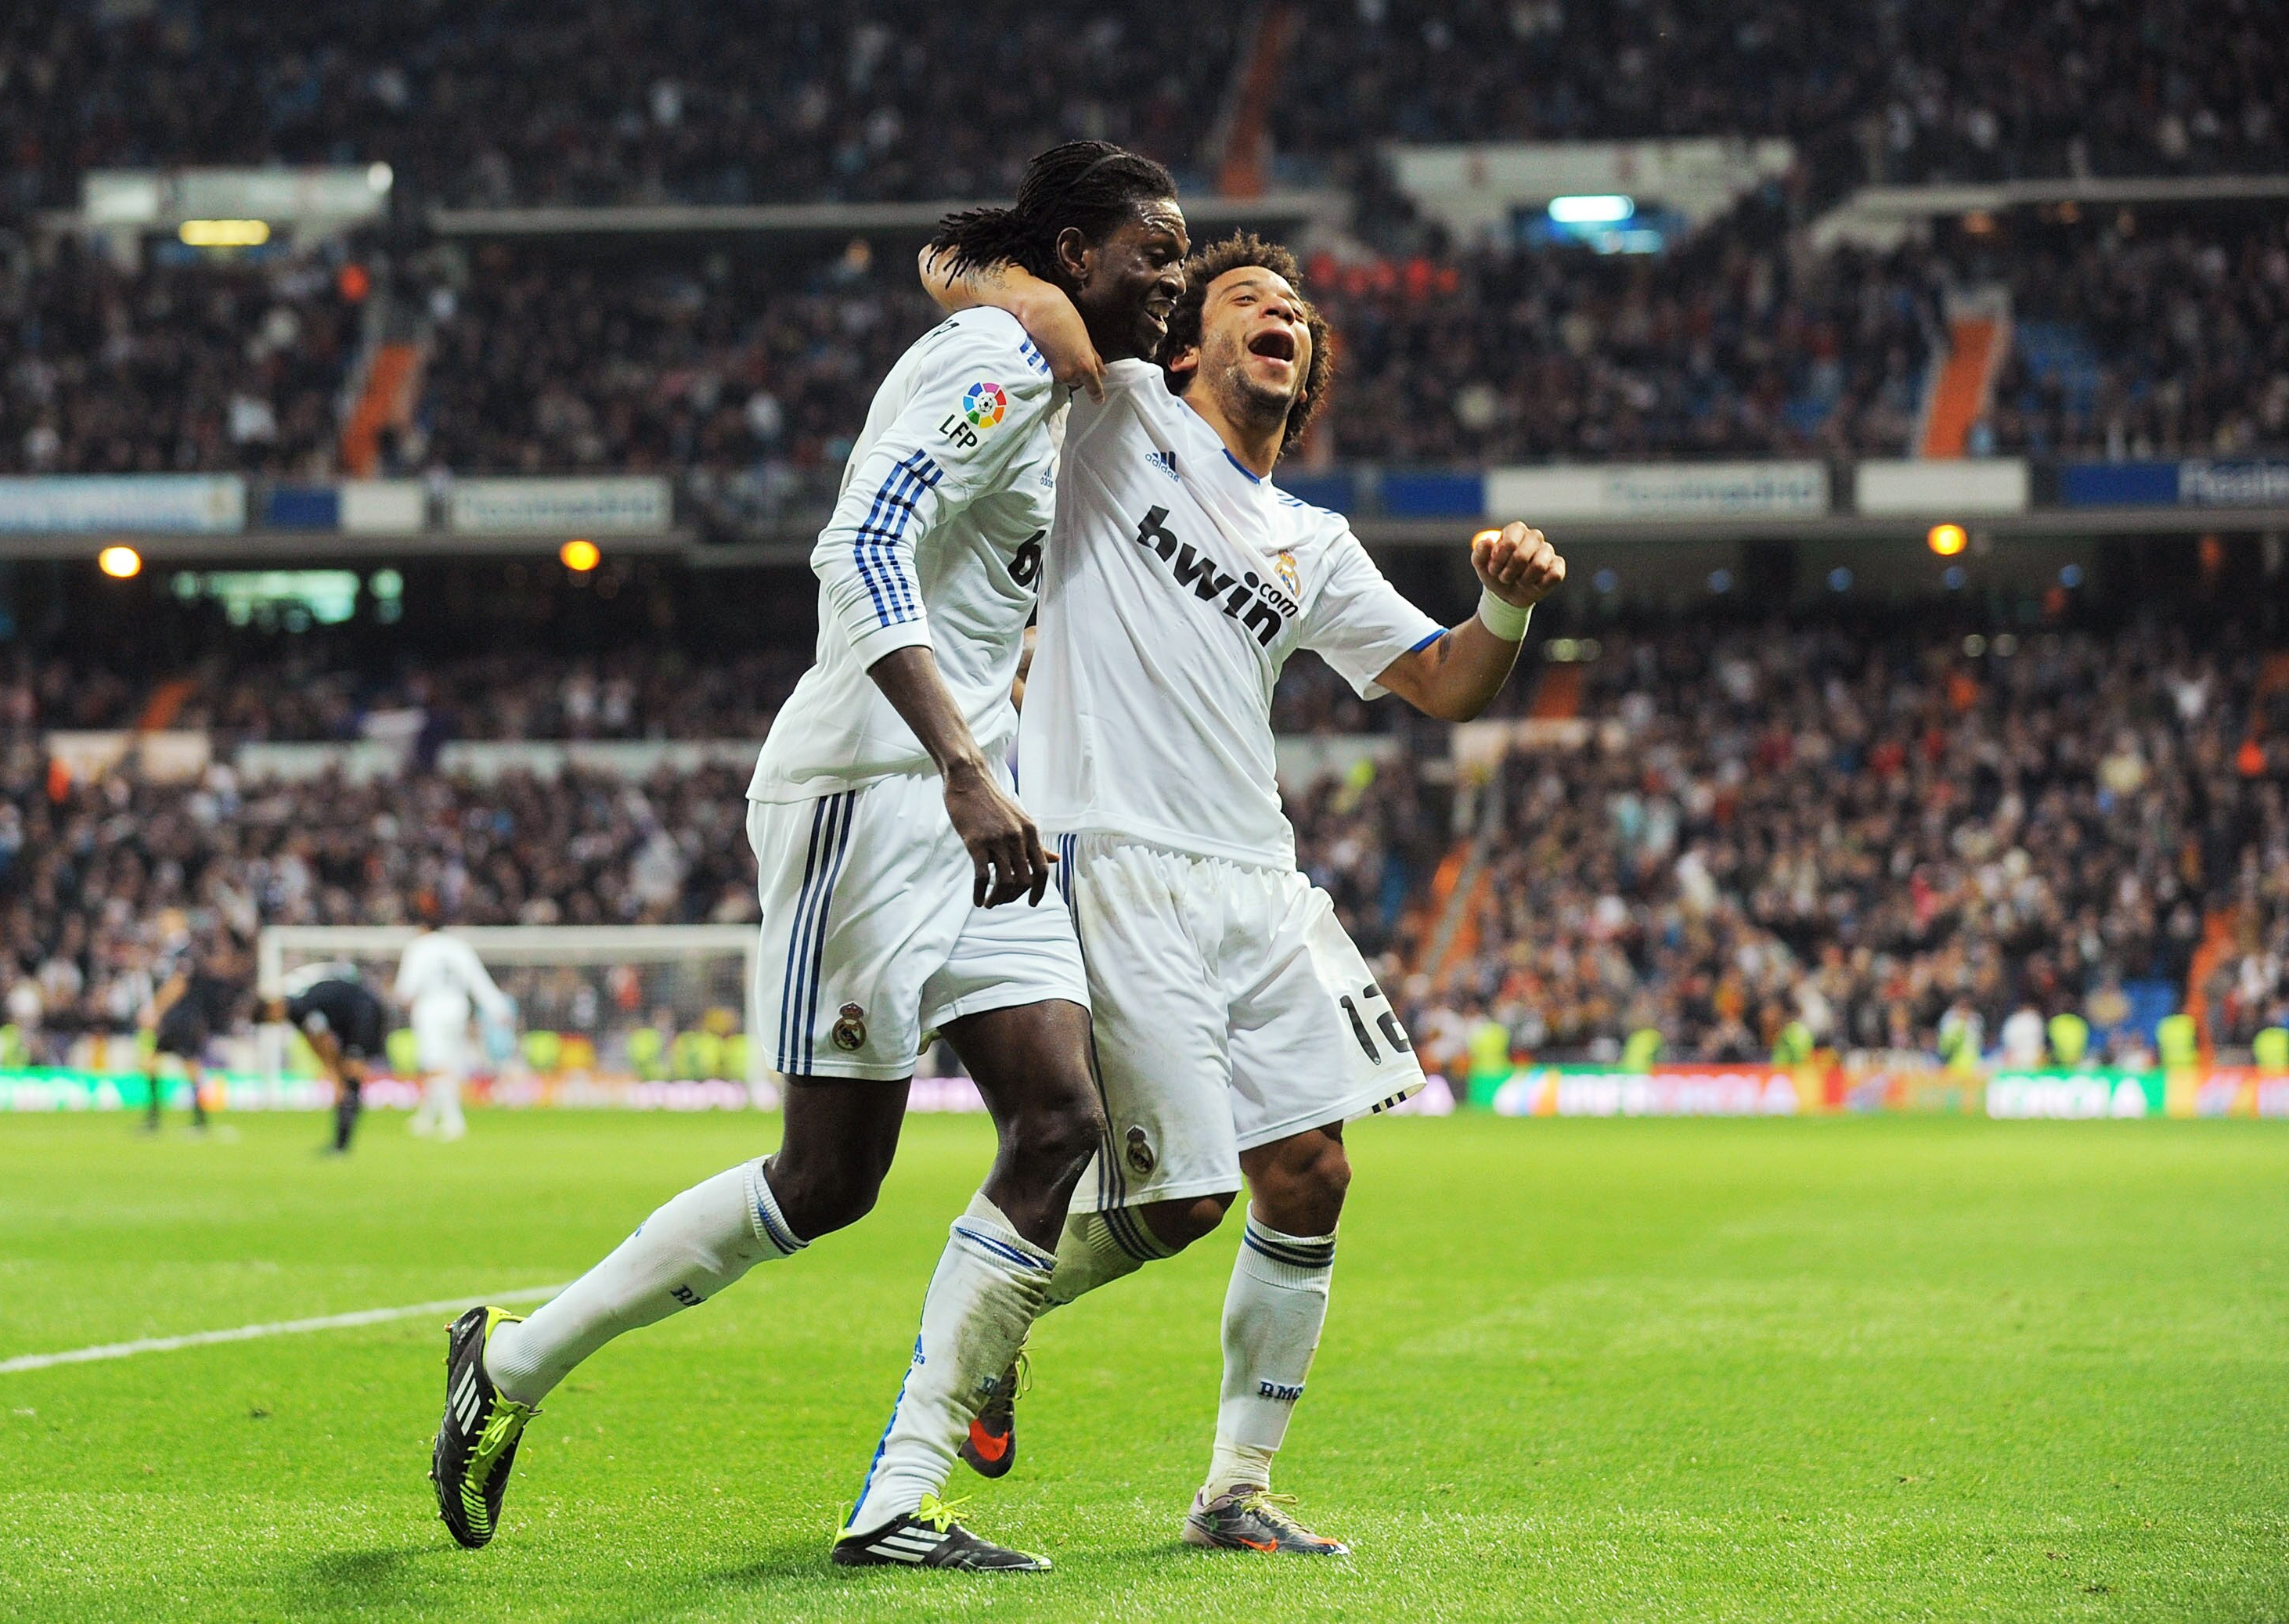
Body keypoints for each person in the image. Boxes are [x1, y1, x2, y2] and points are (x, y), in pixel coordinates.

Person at [429, 141, 1189, 1573]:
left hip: (982, 808)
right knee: (828, 1180)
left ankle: (901, 1496)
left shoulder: (1066, 379)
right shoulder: (992, 361)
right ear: (1076, 254)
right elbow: (862, 546)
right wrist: (961, 761)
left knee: (1058, 1119)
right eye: (1156, 251)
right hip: (878, 791)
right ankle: (512, 1362)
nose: (1175, 278)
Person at [928, 232, 1563, 1554]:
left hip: (1258, 879)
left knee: (1313, 1170)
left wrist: (1501, 608)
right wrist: (1061, 303)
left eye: (1295, 310)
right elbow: (959, 272)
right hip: (1116, 857)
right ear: (1184, 346)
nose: (1282, 313)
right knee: (1181, 1199)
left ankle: (1235, 1492)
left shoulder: (1311, 542)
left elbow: (1445, 681)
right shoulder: (1116, 416)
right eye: (1246, 299)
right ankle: (987, 1318)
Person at [393, 915, 509, 1141]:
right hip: (457, 1009)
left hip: (430, 1011)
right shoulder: (459, 947)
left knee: (436, 1066)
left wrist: (400, 1000)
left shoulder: (419, 947)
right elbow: (479, 981)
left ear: (424, 927)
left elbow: (405, 989)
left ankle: (453, 1120)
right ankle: (426, 1118)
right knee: (449, 1064)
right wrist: (498, 1008)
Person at [256, 962, 388, 1155]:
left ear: (272, 1009)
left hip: (364, 1013)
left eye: (271, 1020)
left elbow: (322, 1040)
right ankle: (341, 1144)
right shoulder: (296, 1006)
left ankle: (342, 1144)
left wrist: (333, 1072)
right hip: (349, 1020)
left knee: (352, 1074)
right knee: (347, 1079)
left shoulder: (297, 1007)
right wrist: (332, 1070)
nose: (276, 1023)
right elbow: (316, 1041)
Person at [138, 931, 247, 1136]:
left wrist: (155, 1010)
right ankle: (156, 1119)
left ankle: (197, 1120)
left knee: (188, 1068)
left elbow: (178, 984)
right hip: (171, 1021)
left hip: (182, 1021)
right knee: (152, 1064)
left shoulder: (184, 953)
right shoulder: (171, 952)